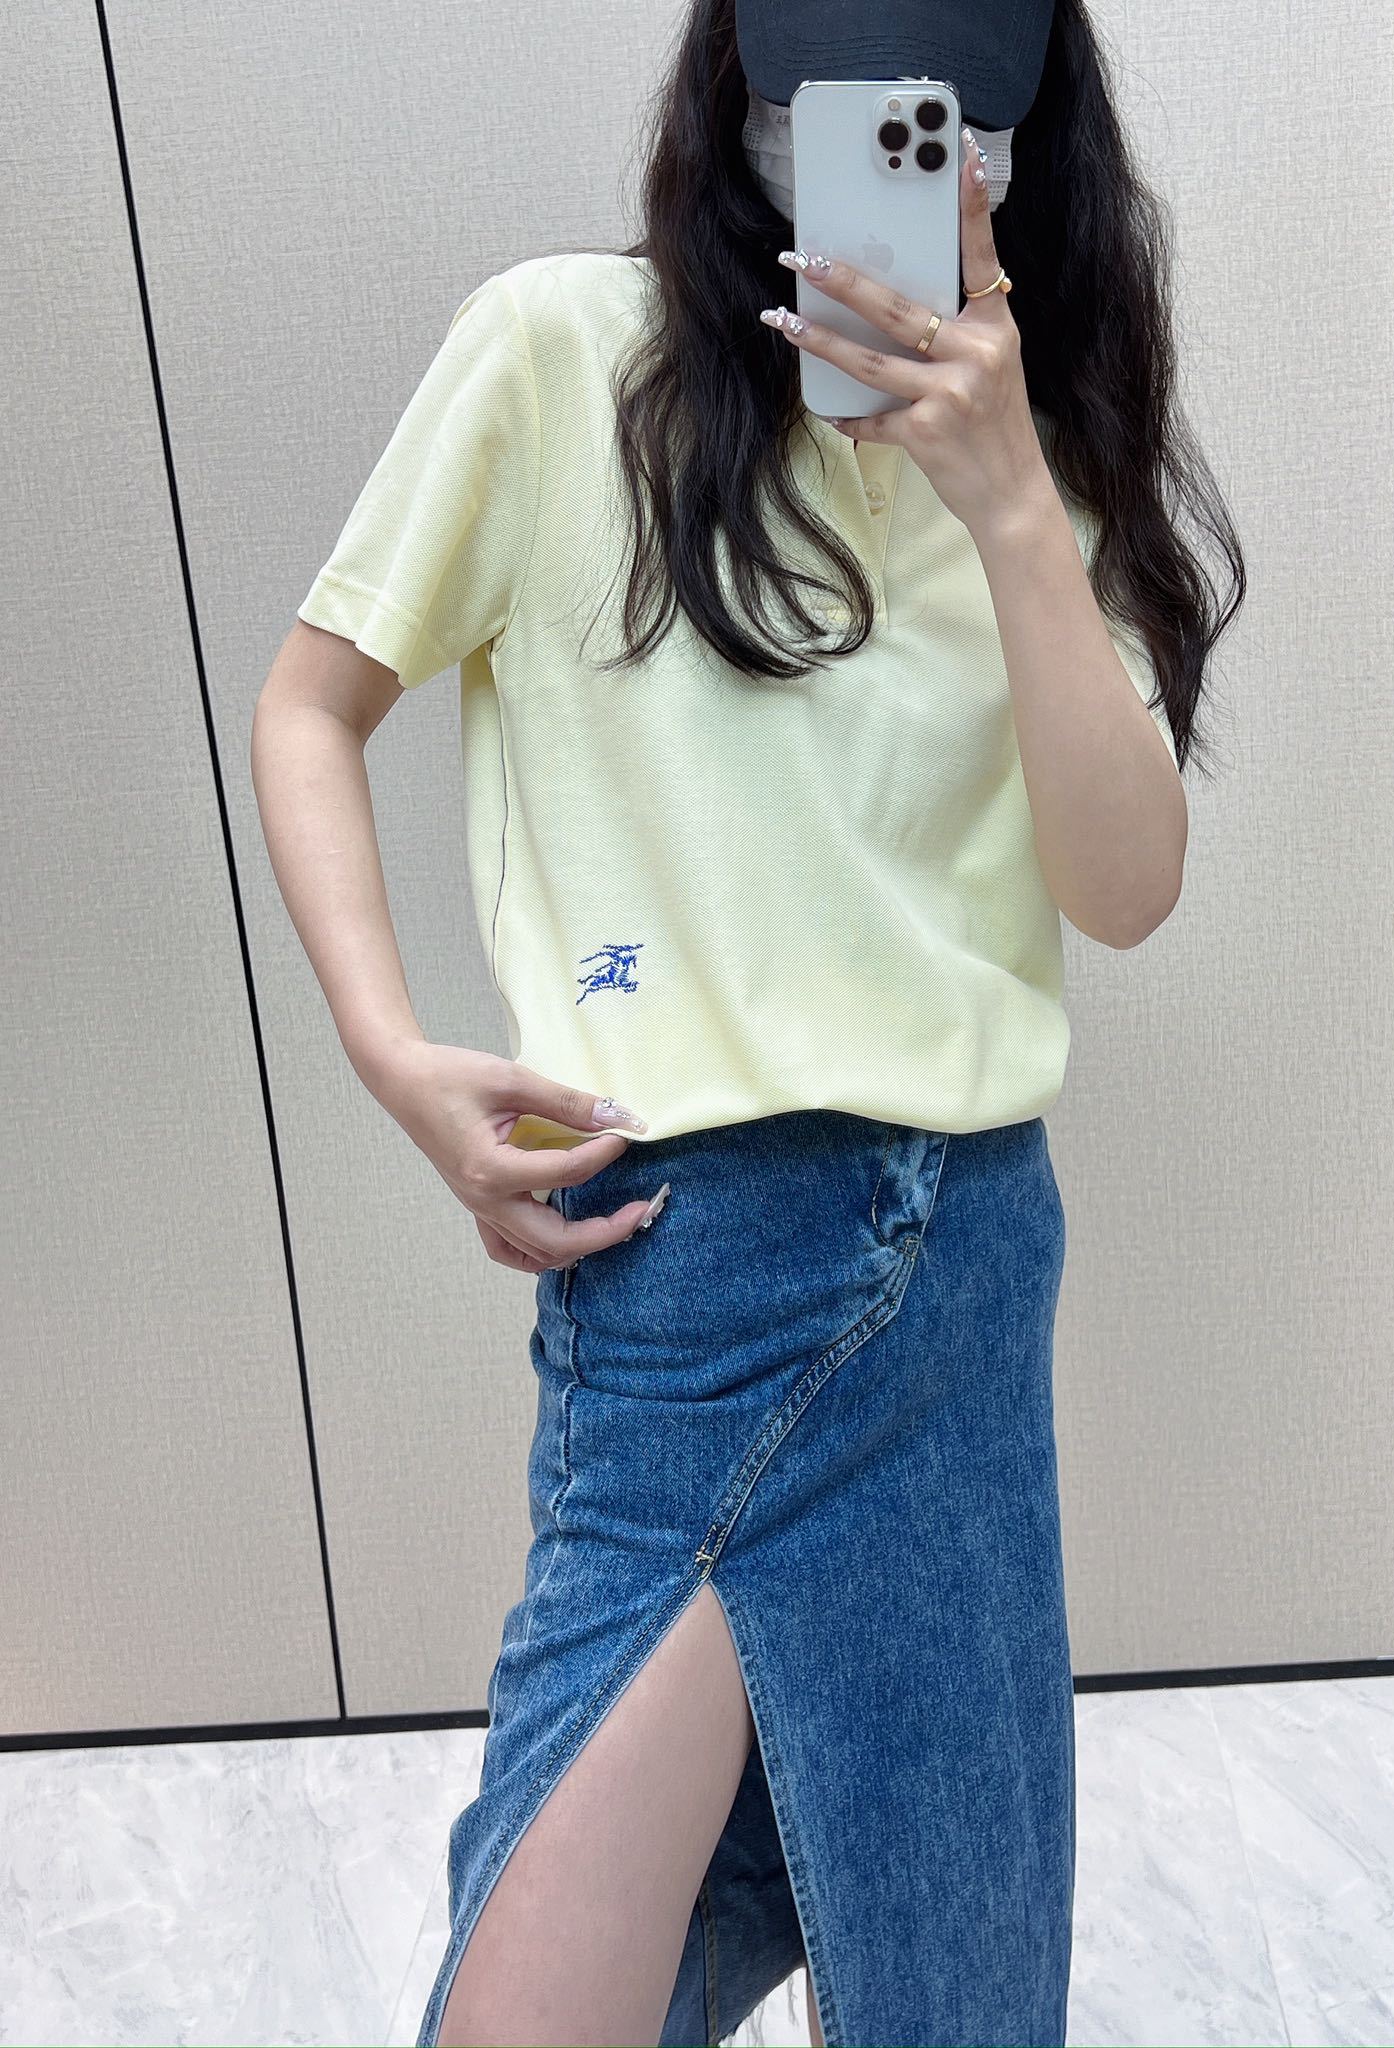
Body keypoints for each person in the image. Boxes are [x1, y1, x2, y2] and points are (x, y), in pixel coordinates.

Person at [251, 0, 1244, 2040]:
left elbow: (1126, 888)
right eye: (824, 99)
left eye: (940, 115)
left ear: (1018, 146)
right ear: (740, 95)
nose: (876, 147)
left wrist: (1007, 499)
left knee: (950, 1986)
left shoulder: (1044, 447)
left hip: (958, 1267)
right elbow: (312, 702)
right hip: (680, 1274)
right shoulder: (559, 354)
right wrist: (390, 1051)